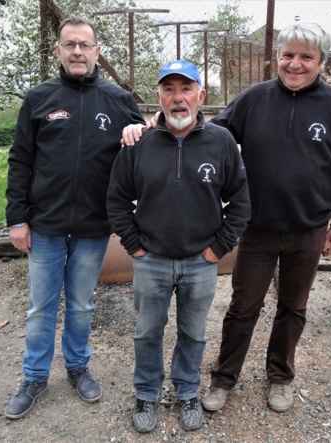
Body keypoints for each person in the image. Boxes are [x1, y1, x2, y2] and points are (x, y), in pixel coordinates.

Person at [121, 23, 331, 414]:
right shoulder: (254, 98)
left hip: (309, 228)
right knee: (243, 307)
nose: (295, 64)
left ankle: (280, 377)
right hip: (257, 229)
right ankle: (223, 379)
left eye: (306, 57)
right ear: (277, 57)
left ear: (322, 62)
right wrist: (157, 124)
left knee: (293, 308)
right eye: (288, 54)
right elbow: (205, 132)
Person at [4, 16, 145, 420]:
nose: (78, 51)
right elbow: (20, 161)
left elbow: (141, 150)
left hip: (93, 225)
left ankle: (77, 367)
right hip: (44, 224)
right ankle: (33, 377)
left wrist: (138, 131)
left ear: (97, 51)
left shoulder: (118, 99)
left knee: (82, 305)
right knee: (40, 306)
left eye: (85, 45)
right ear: (59, 51)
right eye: (70, 45)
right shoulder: (39, 99)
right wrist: (17, 218)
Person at [107, 60, 250, 433]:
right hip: (150, 260)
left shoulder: (221, 142)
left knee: (193, 333)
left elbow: (241, 202)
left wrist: (217, 249)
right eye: (169, 90)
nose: (178, 98)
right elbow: (116, 199)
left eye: (186, 89)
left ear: (201, 96)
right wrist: (135, 246)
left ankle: (187, 391)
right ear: (158, 97)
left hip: (200, 262)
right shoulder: (138, 142)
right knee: (146, 333)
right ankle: (146, 394)